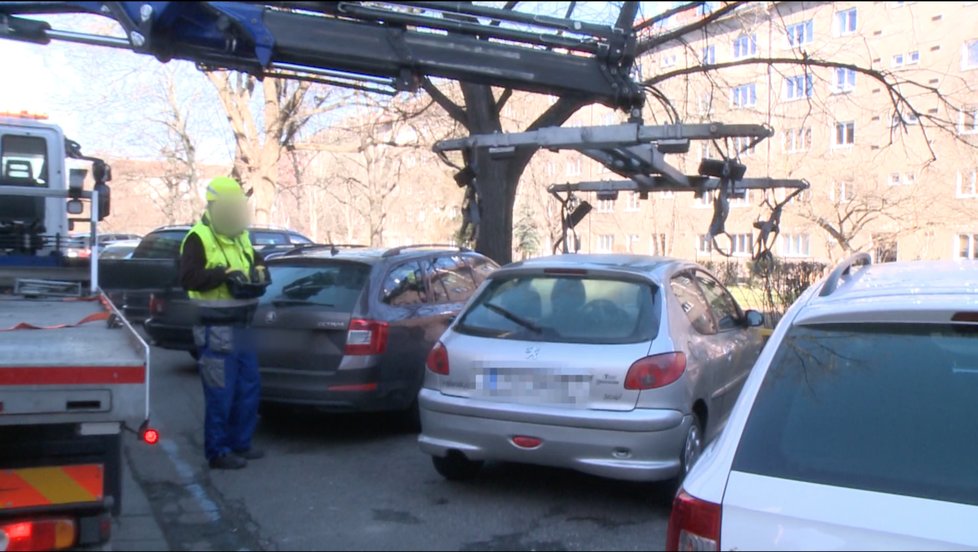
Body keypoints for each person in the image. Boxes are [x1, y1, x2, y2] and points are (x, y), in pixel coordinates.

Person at [180, 176, 270, 470]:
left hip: (243, 326)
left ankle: (240, 443)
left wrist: (259, 271)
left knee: (248, 388)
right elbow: (189, 278)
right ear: (215, 207)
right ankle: (217, 452)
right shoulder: (198, 238)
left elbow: (256, 260)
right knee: (221, 392)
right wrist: (222, 274)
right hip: (214, 329)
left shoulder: (240, 236)